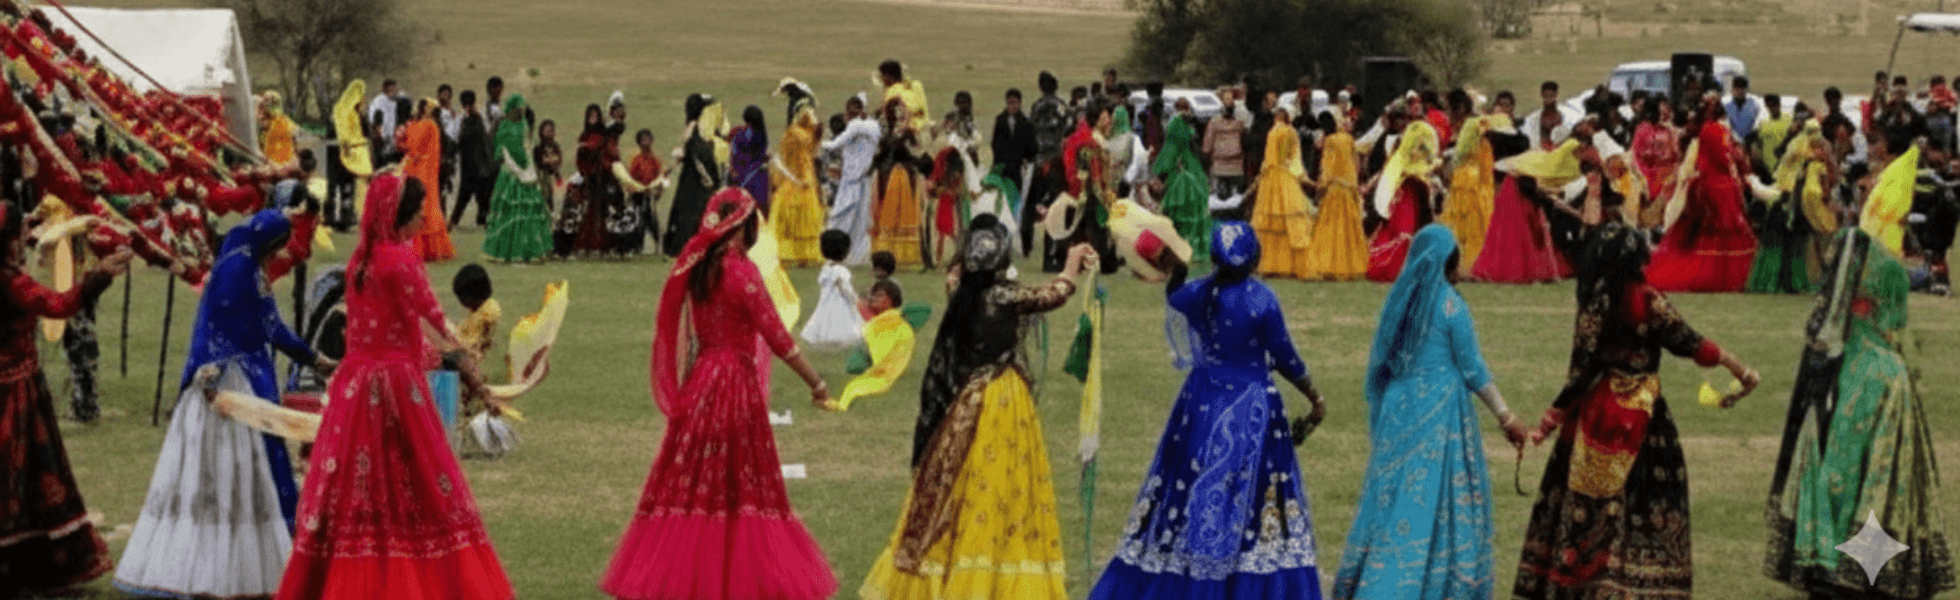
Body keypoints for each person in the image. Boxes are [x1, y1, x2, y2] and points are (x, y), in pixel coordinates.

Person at [276, 174, 512, 600]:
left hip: (355, 387)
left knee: (354, 490)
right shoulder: (401, 260)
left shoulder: (360, 262)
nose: (424, 215)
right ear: (399, 214)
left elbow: (389, 329)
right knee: (419, 485)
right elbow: (436, 320)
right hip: (398, 390)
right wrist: (472, 369)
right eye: (418, 209)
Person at [602, 188, 837, 600]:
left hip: (703, 381)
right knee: (743, 483)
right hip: (735, 384)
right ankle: (740, 577)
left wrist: (690, 389)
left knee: (692, 481)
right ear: (743, 226)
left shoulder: (700, 269)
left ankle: (680, 575)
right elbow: (778, 338)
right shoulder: (743, 274)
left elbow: (692, 339)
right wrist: (816, 383)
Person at [1512, 222, 1761, 600]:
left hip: (1595, 412)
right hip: (1644, 416)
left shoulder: (1595, 304)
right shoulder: (1648, 300)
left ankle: (1579, 582)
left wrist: (1549, 422)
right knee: (1647, 498)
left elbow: (1580, 373)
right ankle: (1642, 584)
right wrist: (1739, 369)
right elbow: (1690, 342)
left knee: (1586, 501)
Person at [1087, 220, 1327, 600]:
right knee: (1251, 494)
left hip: (1201, 402)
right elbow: (1285, 358)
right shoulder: (1262, 300)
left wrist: (1176, 271)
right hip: (1251, 407)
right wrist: (1315, 398)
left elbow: (1175, 297)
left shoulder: (1201, 294)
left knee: (1190, 486)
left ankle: (1189, 566)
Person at [858, 216, 1090, 600]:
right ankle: (992, 572)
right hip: (1002, 397)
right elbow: (1054, 294)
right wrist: (1071, 263)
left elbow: (957, 278)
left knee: (961, 481)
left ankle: (953, 563)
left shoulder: (960, 295)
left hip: (967, 400)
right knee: (1004, 483)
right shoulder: (1000, 296)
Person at [115, 208, 331, 599]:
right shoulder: (241, 271)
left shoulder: (241, 262)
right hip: (227, 386)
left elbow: (269, 327)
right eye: (279, 249)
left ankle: (222, 563)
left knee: (220, 476)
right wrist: (214, 375)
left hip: (230, 379)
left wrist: (312, 359)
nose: (279, 257)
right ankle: (227, 570)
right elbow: (236, 327)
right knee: (234, 473)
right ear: (271, 245)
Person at [1334, 225, 1528, 600]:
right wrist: (1506, 416)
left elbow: (1384, 360)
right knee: (1427, 500)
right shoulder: (1451, 306)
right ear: (1448, 262)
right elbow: (1473, 370)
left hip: (1398, 411)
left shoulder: (1402, 301)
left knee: (1391, 497)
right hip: (1438, 415)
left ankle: (1374, 578)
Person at [1764, 226, 1954, 600]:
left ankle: (1828, 551)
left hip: (1840, 447)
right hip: (1866, 488)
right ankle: (1858, 561)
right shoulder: (1887, 369)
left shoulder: (1830, 360)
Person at [0, 204, 129, 598]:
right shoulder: (12, 283)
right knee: (18, 477)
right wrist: (101, 275)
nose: (26, 238)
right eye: (21, 234)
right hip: (15, 396)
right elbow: (60, 305)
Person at [1646, 99, 1759, 292]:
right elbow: (1726, 157)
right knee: (1729, 231)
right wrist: (1739, 176)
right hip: (1722, 187)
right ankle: (1727, 278)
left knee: (1707, 233)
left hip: (1706, 183)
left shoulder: (1705, 130)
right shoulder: (1718, 130)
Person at [1746, 123, 1835, 294]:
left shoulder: (1797, 151)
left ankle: (1775, 282)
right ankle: (1790, 282)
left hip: (1787, 200)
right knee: (1793, 246)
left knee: (1784, 245)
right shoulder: (1808, 158)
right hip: (1792, 202)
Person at [1366, 120, 1442, 282]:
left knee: (1407, 231)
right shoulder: (1401, 162)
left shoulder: (1405, 161)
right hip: (1405, 199)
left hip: (1411, 199)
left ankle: (1408, 268)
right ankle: (1399, 268)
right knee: (1403, 231)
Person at [484, 95, 551, 263]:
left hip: (526, 171)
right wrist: (515, 168)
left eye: (522, 109)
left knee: (528, 213)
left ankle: (529, 250)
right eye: (518, 108)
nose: (520, 112)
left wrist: (530, 171)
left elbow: (526, 147)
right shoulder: (505, 127)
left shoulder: (523, 126)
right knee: (511, 214)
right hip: (510, 174)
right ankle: (507, 251)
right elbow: (503, 148)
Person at [1302, 113, 1368, 280]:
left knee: (1329, 228)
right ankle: (1350, 266)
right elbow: (1356, 163)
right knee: (1349, 229)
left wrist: (1320, 186)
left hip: (1334, 190)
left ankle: (1328, 264)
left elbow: (1327, 167)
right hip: (1348, 188)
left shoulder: (1330, 141)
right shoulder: (1348, 138)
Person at [1439, 113, 1501, 277]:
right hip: (1476, 188)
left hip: (1462, 185)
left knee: (1459, 226)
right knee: (1475, 228)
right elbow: (1487, 173)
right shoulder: (1484, 146)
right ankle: (1472, 265)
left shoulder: (1463, 157)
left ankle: (1454, 264)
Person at [824, 94, 881, 266]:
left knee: (842, 216)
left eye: (856, 107)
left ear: (862, 109)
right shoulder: (869, 127)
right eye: (849, 108)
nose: (851, 111)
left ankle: (838, 252)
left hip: (853, 182)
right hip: (857, 180)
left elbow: (835, 144)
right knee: (858, 219)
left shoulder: (859, 126)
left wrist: (815, 142)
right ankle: (851, 255)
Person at [665, 94, 723, 257]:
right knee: (696, 211)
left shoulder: (691, 126)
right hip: (696, 178)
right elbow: (697, 151)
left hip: (690, 176)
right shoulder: (696, 127)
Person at [1155, 98, 1212, 261]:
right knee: (1188, 205)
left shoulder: (1179, 123)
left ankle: (1181, 245)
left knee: (1185, 205)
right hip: (1184, 166)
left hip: (1187, 166)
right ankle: (1183, 245)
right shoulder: (1178, 123)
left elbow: (1171, 147)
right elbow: (1172, 147)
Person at [774, 83, 824, 267]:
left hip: (804, 175)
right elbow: (810, 147)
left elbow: (812, 150)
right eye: (808, 113)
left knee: (805, 215)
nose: (812, 117)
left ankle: (802, 255)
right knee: (798, 215)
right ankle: (794, 253)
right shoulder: (796, 133)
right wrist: (817, 135)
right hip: (799, 176)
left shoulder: (798, 131)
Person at [403, 99, 455, 262]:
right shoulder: (420, 125)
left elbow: (427, 150)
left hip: (423, 170)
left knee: (425, 206)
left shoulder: (428, 126)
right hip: (416, 169)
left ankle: (426, 248)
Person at [800, 230, 865, 351]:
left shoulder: (826, 268)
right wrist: (855, 299)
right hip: (840, 303)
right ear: (845, 252)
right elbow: (845, 289)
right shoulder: (841, 270)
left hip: (825, 301)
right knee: (841, 320)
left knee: (824, 318)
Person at [452, 90, 494, 230]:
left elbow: (478, 141)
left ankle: (455, 222)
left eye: (469, 103)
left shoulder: (475, 120)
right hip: (472, 166)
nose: (467, 106)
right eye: (466, 104)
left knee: (476, 198)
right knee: (473, 198)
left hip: (475, 166)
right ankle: (455, 222)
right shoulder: (468, 119)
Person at [624, 129, 666, 256]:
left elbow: (660, 177)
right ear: (638, 143)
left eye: (648, 139)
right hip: (638, 195)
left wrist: (659, 191)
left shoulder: (655, 160)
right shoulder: (636, 160)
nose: (646, 143)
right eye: (643, 140)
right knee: (638, 222)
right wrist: (633, 191)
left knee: (652, 221)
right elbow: (631, 178)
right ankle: (637, 247)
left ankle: (660, 245)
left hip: (649, 195)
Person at [731, 105, 772, 214]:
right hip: (760, 176)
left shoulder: (740, 135)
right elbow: (764, 154)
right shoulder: (763, 135)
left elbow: (735, 155)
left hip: (744, 175)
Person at [260, 90, 299, 167]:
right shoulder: (286, 121)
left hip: (274, 164)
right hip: (285, 164)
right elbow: (294, 140)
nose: (263, 104)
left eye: (265, 101)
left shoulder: (271, 122)